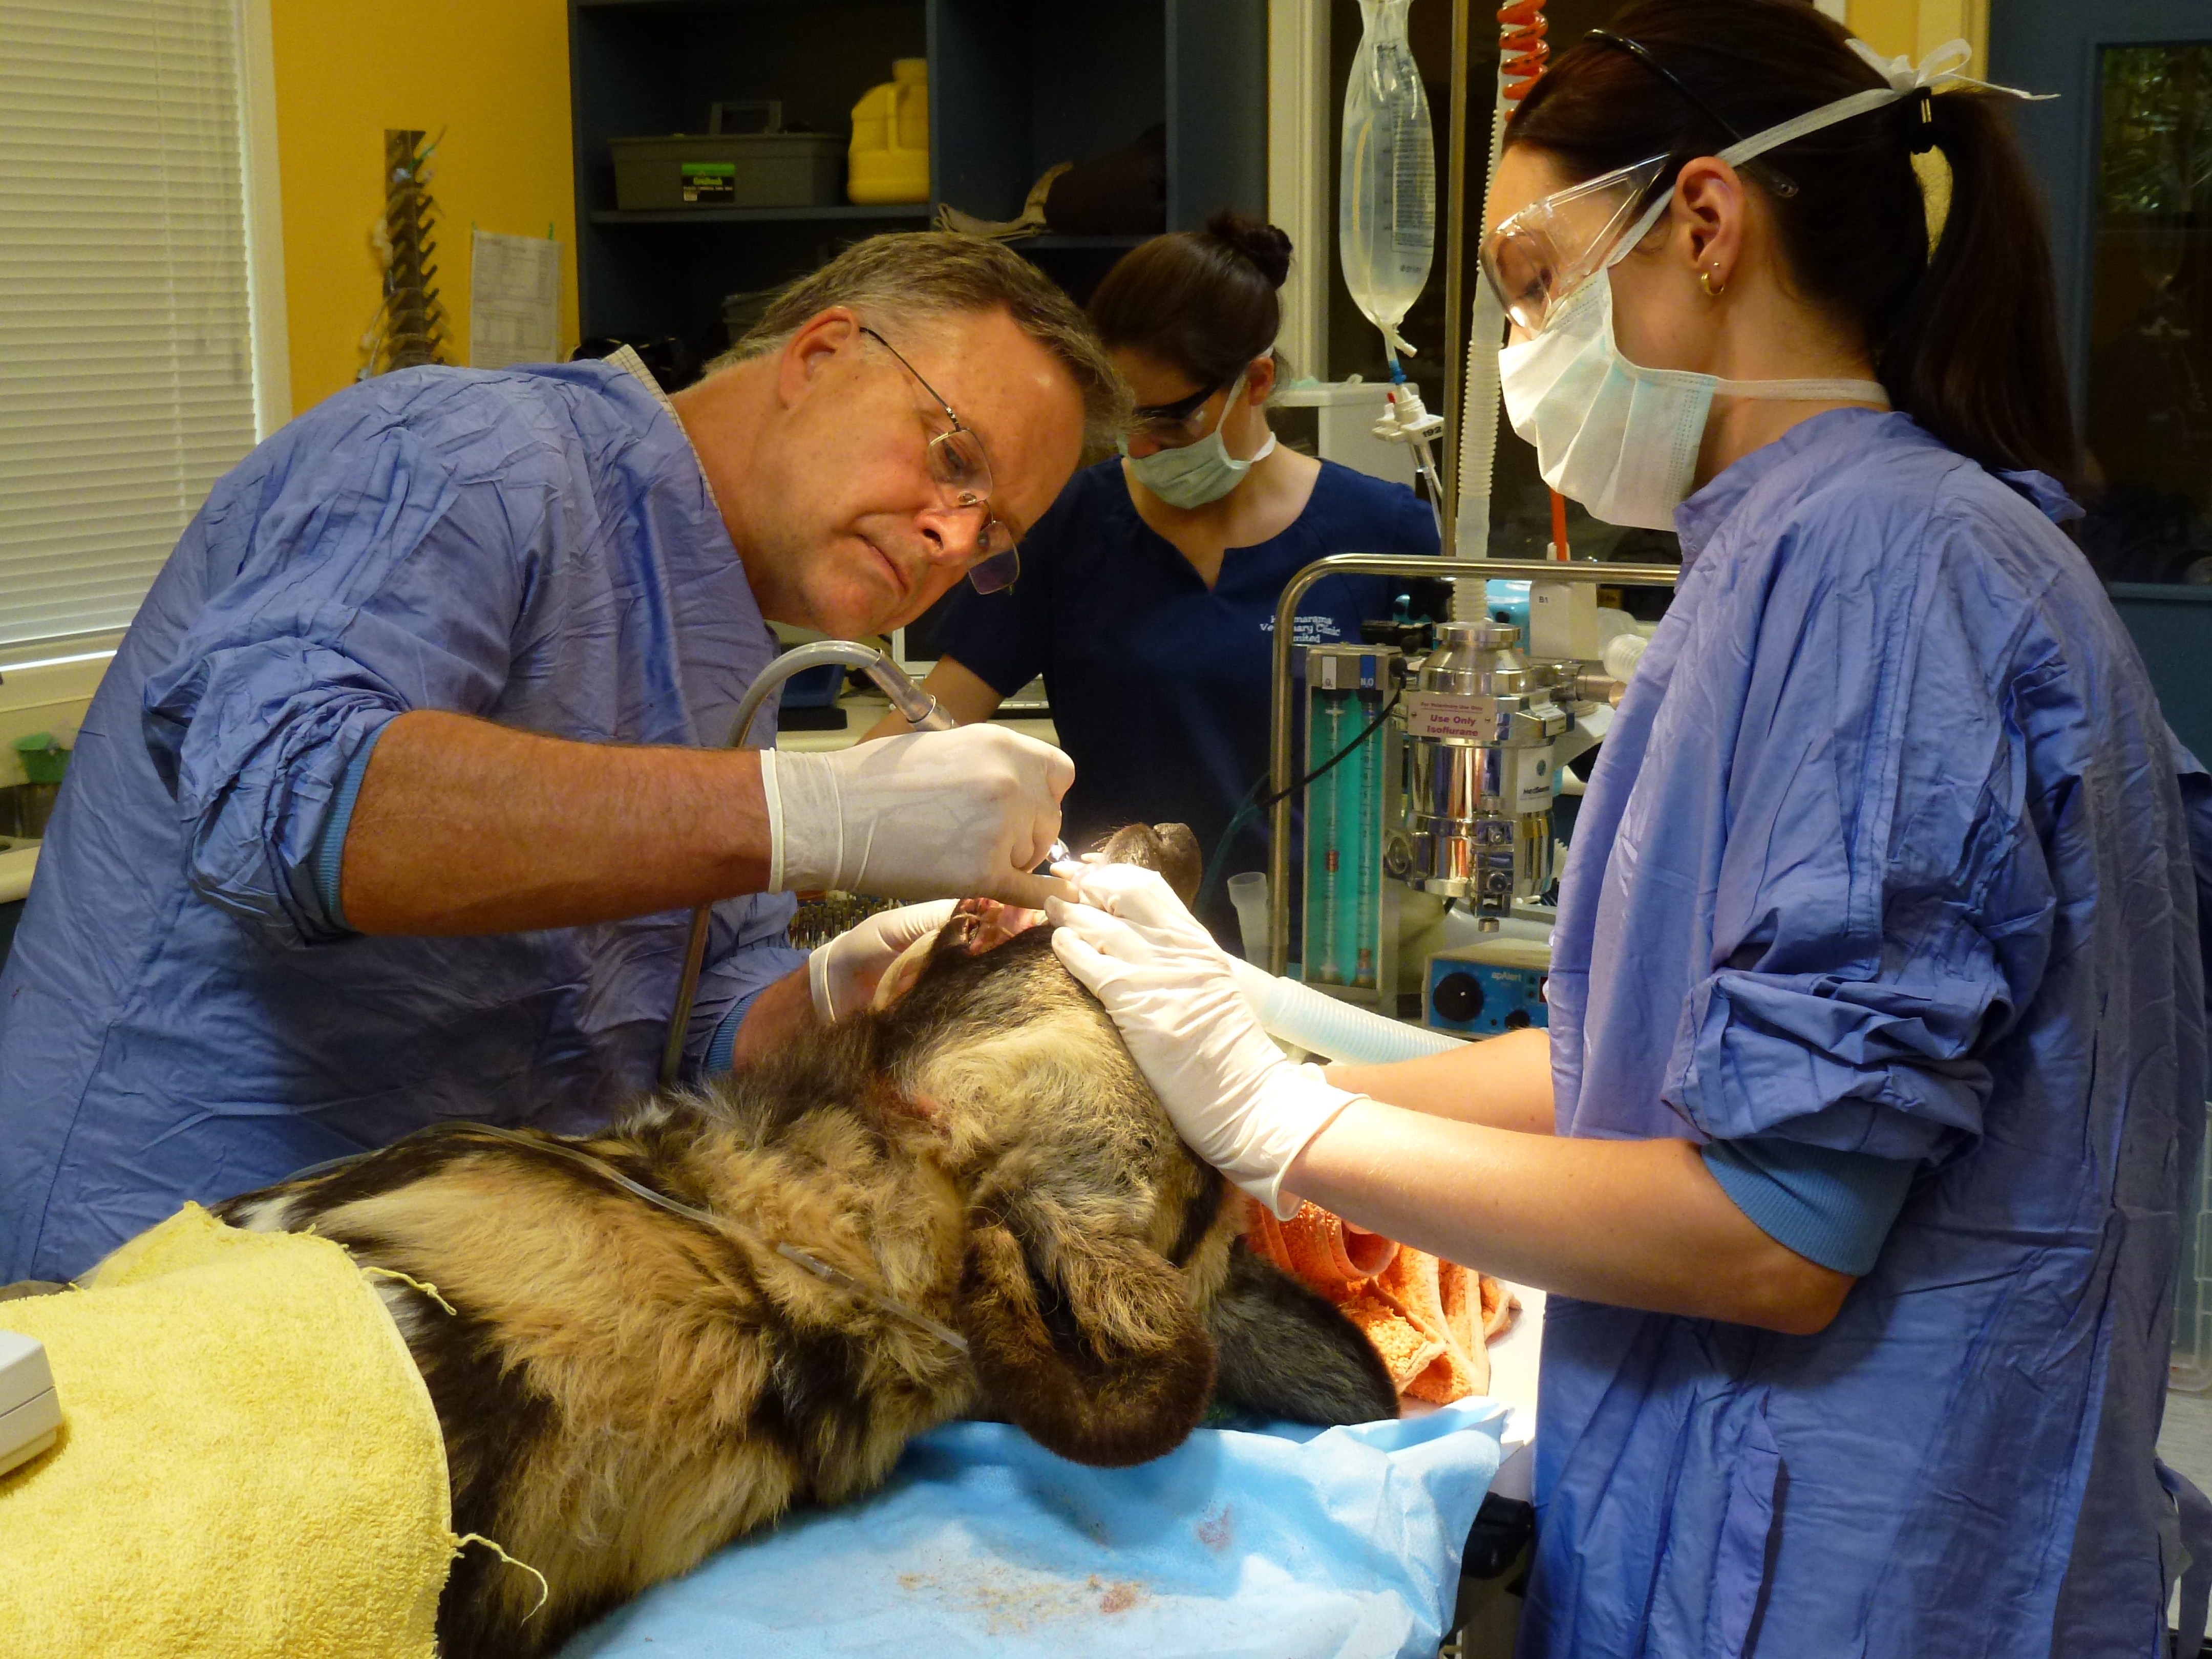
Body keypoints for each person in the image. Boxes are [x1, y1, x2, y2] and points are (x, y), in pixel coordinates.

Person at [1047, 5, 2212, 1653]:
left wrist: (1282, 1133)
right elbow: (1658, 1059)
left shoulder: (1887, 576)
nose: (1522, 344)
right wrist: (1284, 1048)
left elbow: (1776, 1234)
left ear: (1709, 224)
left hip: (1859, 1567)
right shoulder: (1796, 553)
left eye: (1531, 283)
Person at [0, 233, 1125, 1283]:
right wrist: (810, 814)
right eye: (952, 457)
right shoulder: (464, 460)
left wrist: (857, 987)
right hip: (158, 1266)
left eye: (996, 535)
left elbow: (679, 1031)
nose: (954, 535)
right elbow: (289, 802)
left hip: (439, 1287)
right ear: (824, 352)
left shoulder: (728, 648)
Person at [867, 214, 1437, 940]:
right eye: (1120, 418)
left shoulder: (1378, 537)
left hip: (1329, 951)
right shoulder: (1071, 525)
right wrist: (795, 816)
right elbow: (934, 720)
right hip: (1113, 944)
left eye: (1168, 422)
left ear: (1254, 382)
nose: (1139, 446)